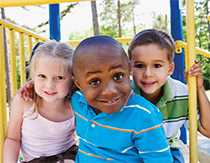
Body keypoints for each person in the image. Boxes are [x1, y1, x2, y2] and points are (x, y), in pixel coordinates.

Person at [71, 35, 173, 163]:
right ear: (79, 84)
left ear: (129, 70)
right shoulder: (77, 101)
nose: (110, 91)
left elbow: (159, 160)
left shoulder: (143, 116)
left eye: (118, 76)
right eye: (95, 81)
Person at [128, 28, 210, 163]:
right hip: (133, 151)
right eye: (140, 65)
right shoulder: (125, 95)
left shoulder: (181, 93)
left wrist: (199, 89)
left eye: (157, 65)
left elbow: (208, 130)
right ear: (130, 68)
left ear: (170, 69)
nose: (148, 73)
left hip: (167, 149)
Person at [3, 40, 77, 163]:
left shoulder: (76, 103)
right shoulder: (25, 101)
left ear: (73, 80)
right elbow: (12, 138)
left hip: (68, 156)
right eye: (42, 76)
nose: (49, 85)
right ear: (33, 76)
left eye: (59, 78)